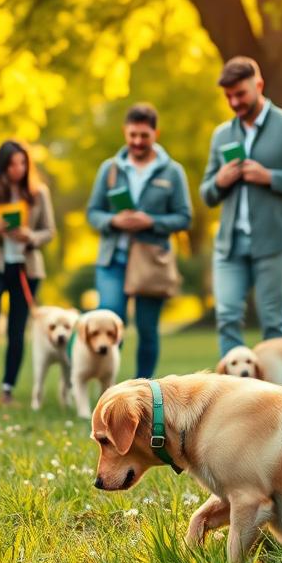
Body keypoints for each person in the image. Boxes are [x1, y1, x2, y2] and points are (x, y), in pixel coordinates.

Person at [200, 56, 282, 357]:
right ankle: (230, 387)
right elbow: (207, 194)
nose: (234, 102)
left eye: (240, 94)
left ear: (259, 85)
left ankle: (272, 387)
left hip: (273, 242)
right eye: (228, 96)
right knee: (227, 317)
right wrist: (219, 181)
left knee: (272, 323)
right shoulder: (222, 135)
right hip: (230, 244)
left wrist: (270, 177)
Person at [86, 103, 192, 378]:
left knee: (147, 329)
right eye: (132, 135)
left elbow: (184, 217)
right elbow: (93, 213)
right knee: (109, 321)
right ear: (125, 132)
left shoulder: (172, 172)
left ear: (156, 133)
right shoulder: (109, 169)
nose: (137, 141)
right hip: (113, 260)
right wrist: (113, 221)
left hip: (151, 262)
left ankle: (143, 388)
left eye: (144, 135)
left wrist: (151, 221)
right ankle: (109, 388)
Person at [0, 140, 54, 404]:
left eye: (22, 163)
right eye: (12, 164)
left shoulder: (38, 193)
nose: (18, 169)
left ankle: (7, 390)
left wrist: (30, 237)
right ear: (2, 166)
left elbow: (49, 231)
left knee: (17, 331)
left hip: (25, 269)